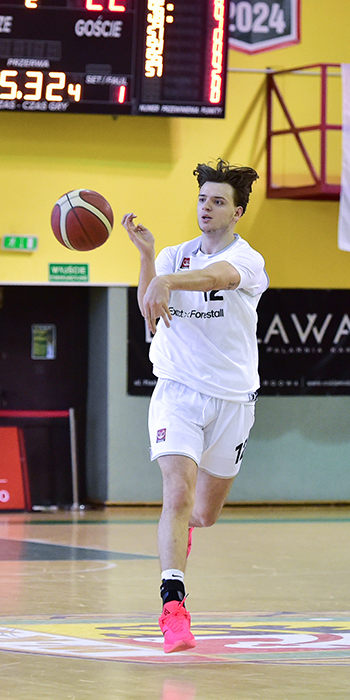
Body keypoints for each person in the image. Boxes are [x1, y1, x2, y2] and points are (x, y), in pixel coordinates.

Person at [122, 159, 268, 653]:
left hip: (232, 399)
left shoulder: (248, 260)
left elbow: (216, 278)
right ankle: (173, 607)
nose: (207, 207)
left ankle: (181, 534)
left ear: (237, 212)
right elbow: (150, 310)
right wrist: (149, 260)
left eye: (218, 201)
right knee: (176, 495)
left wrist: (169, 282)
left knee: (202, 514)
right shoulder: (171, 256)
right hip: (177, 391)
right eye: (203, 199)